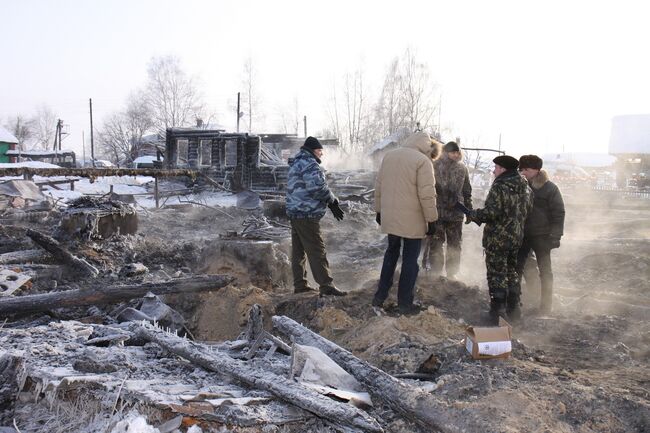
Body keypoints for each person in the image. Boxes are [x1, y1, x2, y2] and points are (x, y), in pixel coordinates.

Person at [372, 131, 438, 314]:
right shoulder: (423, 161)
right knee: (410, 261)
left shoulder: (390, 156)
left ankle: (379, 297)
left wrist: (379, 211)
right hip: (412, 221)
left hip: (391, 218)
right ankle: (404, 303)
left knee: (391, 254)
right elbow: (427, 194)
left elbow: (379, 186)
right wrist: (431, 220)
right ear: (426, 145)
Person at [467, 155, 532, 323]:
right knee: (512, 272)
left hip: (498, 238)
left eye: (495, 167)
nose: (493, 170)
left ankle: (497, 313)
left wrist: (474, 214)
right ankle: (514, 310)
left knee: (497, 274)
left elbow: (491, 213)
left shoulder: (500, 186)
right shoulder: (525, 186)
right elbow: (528, 210)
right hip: (516, 237)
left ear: (503, 169)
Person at [286, 136, 346, 297]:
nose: (321, 154)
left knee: (298, 251)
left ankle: (300, 284)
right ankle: (326, 286)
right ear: (313, 150)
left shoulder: (296, 162)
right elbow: (317, 188)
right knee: (316, 249)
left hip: (295, 212)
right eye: (320, 151)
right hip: (306, 213)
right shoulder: (309, 164)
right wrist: (332, 200)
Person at [514, 155, 565, 316]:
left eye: (526, 170)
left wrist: (556, 236)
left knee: (545, 271)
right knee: (516, 269)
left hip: (542, 237)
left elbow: (559, 212)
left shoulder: (550, 188)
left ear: (536, 170)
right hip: (522, 235)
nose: (523, 172)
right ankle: (516, 303)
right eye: (521, 169)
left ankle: (545, 307)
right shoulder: (519, 186)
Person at [422, 141, 472, 278]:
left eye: (458, 152)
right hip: (438, 212)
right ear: (445, 152)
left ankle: (452, 273)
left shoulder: (462, 168)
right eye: (453, 152)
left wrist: (469, 210)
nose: (456, 155)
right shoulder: (434, 165)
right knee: (436, 243)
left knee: (455, 245)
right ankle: (436, 272)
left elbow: (467, 191)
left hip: (456, 214)